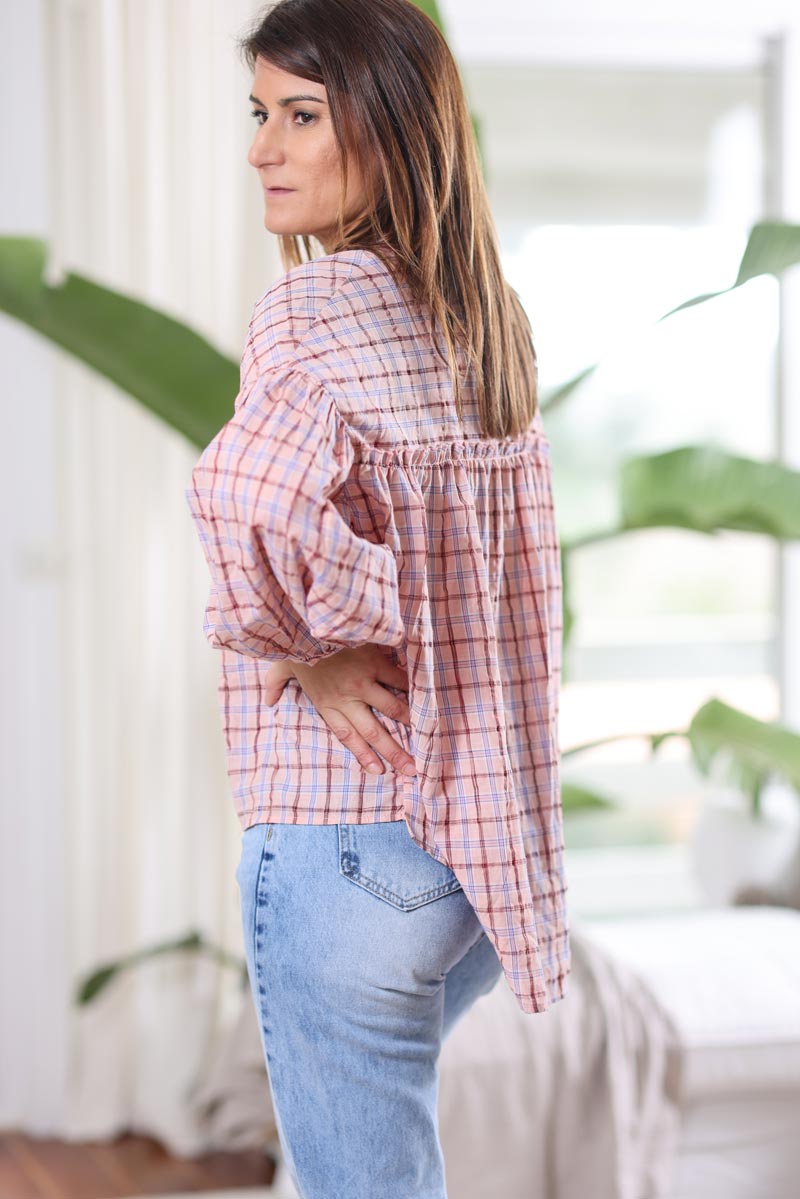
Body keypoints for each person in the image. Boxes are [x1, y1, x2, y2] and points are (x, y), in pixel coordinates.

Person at [184, 0, 571, 1194]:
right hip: (467, 854)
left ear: (393, 128)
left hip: (342, 846)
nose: (262, 147)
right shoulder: (487, 318)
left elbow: (246, 494)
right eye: (260, 113)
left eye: (302, 115)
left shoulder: (310, 307)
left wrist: (300, 645)